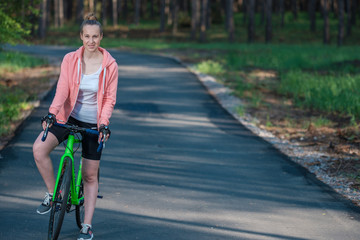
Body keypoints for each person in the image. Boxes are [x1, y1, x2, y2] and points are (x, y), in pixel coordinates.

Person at [33, 13, 118, 240]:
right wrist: (52, 113)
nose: (91, 41)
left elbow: (109, 99)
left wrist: (103, 124)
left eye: (95, 37)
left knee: (90, 175)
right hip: (67, 117)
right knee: (39, 149)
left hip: (94, 123)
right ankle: (54, 194)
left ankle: (86, 225)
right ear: (81, 36)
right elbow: (62, 90)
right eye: (87, 36)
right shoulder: (70, 59)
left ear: (101, 38)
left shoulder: (110, 65)